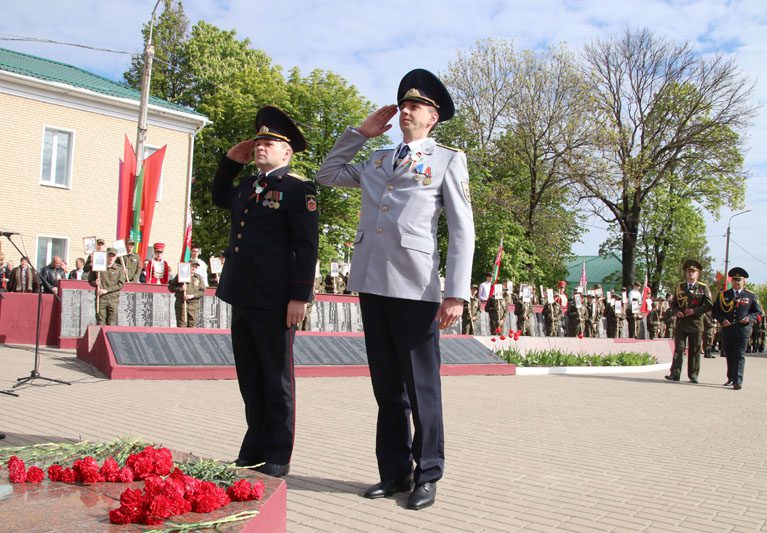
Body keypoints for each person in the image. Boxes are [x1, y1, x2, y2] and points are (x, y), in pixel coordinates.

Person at [316, 68, 474, 510]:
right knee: (387, 387)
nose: (406, 110)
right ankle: (394, 473)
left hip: (416, 286)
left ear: (433, 118)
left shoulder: (447, 160)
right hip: (372, 281)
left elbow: (463, 230)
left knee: (421, 387)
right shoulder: (378, 159)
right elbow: (327, 174)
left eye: (416, 106)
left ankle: (428, 473)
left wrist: (456, 292)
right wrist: (359, 134)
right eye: (403, 104)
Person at [212, 105, 318, 478]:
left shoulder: (297, 190)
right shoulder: (247, 186)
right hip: (243, 295)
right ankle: (253, 447)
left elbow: (307, 248)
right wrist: (229, 162)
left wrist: (299, 297)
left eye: (269, 142)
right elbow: (217, 194)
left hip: (276, 302)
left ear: (286, 152)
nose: (260, 146)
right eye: (258, 140)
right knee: (250, 377)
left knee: (276, 378)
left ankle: (277, 452)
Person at [712, 267, 762, 390]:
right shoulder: (724, 295)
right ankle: (731, 378)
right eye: (734, 280)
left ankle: (738, 380)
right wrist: (722, 320)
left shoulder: (750, 295)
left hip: (742, 330)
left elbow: (758, 312)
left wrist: (749, 318)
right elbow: (715, 311)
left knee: (739, 354)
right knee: (729, 353)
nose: (736, 282)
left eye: (738, 280)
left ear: (743, 281)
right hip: (728, 329)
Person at [665, 259, 712, 384]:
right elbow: (674, 304)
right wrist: (676, 312)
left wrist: (695, 311)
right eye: (688, 271)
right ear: (686, 273)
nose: (690, 273)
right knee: (679, 349)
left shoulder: (703, 287)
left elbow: (709, 305)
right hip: (681, 322)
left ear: (698, 274)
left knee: (694, 350)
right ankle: (674, 374)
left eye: (693, 271)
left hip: (696, 323)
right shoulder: (680, 287)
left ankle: (693, 375)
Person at [87, 248, 126, 325]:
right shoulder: (98, 266)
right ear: (106, 256)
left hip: (113, 299)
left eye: (113, 256)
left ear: (116, 257)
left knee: (111, 323)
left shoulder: (119, 268)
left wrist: (106, 290)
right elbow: (90, 280)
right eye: (109, 255)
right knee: (100, 322)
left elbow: (120, 284)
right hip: (101, 299)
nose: (111, 258)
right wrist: (95, 282)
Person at [168, 259, 206, 327]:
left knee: (192, 326)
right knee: (181, 325)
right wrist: (180, 289)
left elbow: (202, 291)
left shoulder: (198, 278)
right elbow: (171, 287)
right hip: (181, 304)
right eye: (192, 266)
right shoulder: (180, 275)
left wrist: (192, 295)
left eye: (196, 266)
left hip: (193, 305)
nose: (194, 268)